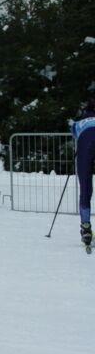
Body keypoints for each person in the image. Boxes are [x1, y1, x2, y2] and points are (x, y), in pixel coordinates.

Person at [71, 95, 95, 247]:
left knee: (85, 187)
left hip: (85, 148)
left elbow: (75, 136)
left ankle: (85, 227)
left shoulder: (77, 123)